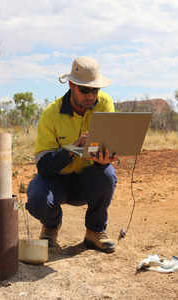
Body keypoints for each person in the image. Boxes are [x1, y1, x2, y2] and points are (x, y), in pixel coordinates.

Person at [26, 56, 118, 253]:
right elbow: (43, 166)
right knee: (37, 196)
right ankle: (51, 226)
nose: (91, 96)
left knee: (107, 175)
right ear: (71, 84)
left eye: (95, 90)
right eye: (85, 90)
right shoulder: (51, 114)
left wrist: (103, 160)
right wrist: (72, 149)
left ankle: (94, 232)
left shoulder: (105, 104)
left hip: (88, 179)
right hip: (57, 181)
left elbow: (107, 146)